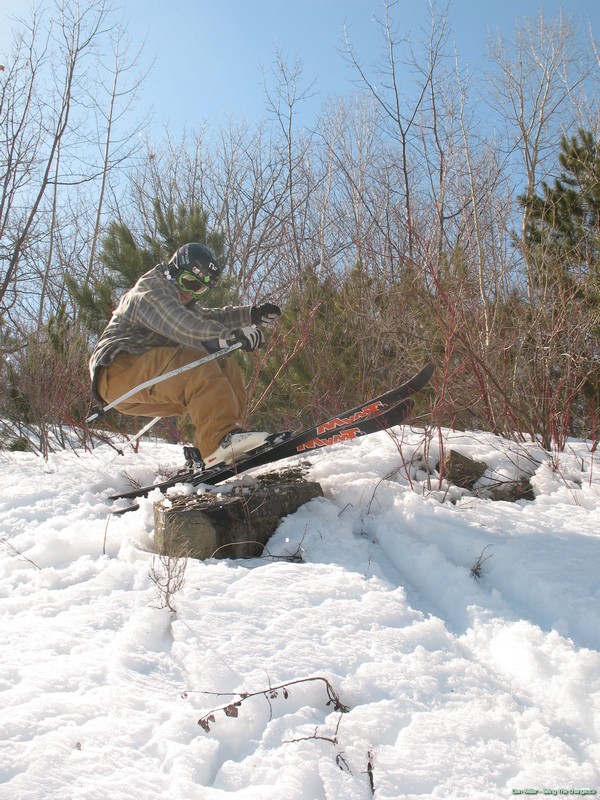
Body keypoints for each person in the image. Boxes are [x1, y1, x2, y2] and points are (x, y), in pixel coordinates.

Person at [89, 242, 281, 468]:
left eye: (199, 289)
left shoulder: (182, 300)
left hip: (150, 382)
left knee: (225, 365)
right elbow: (183, 325)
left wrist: (250, 314)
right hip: (118, 369)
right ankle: (218, 442)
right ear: (174, 270)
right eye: (189, 282)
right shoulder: (151, 291)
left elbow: (208, 318)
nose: (189, 293)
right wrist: (229, 336)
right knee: (197, 363)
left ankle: (221, 443)